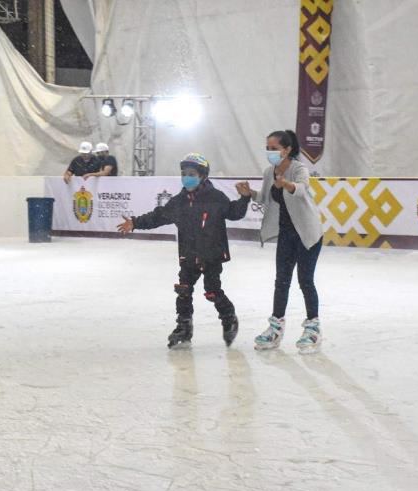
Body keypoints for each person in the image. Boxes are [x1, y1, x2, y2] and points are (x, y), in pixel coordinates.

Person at [117, 153, 253, 348]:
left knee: (212, 291)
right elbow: (158, 216)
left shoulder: (215, 198)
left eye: (191, 173)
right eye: (184, 173)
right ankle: (184, 327)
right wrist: (135, 222)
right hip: (188, 254)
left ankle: (229, 318)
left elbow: (234, 213)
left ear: (203, 176)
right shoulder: (178, 202)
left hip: (212, 255)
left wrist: (245, 198)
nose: (186, 177)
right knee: (183, 290)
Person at [245, 129, 324, 354]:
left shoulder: (299, 168)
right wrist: (248, 192)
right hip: (286, 233)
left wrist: (286, 185)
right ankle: (275, 328)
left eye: (274, 148)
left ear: (287, 149)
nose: (270, 152)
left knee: (305, 280)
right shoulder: (269, 171)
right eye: (268, 148)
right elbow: (264, 197)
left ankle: (313, 329)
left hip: (307, 233)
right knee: (281, 281)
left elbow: (302, 188)